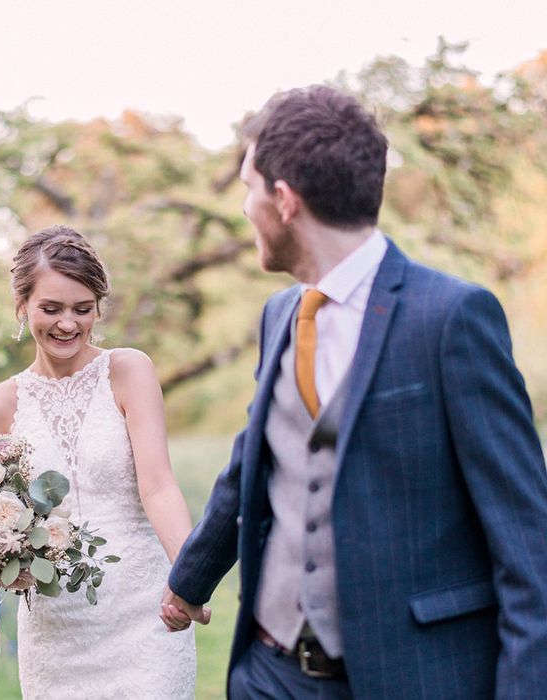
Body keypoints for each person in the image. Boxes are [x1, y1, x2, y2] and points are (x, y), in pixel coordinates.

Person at [161, 85, 547, 699]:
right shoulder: (279, 314)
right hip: (271, 672)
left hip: (407, 679)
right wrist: (190, 578)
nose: (242, 208)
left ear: (284, 201)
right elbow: (257, 460)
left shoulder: (451, 318)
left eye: (247, 188)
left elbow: (528, 542)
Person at [0, 225, 197, 699]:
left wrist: (190, 576)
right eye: (50, 308)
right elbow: (7, 525)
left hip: (143, 615)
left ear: (99, 307)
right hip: (55, 631)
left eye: (83, 309)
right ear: (22, 307)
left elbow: (158, 486)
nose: (68, 324)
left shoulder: (128, 371)